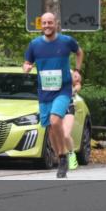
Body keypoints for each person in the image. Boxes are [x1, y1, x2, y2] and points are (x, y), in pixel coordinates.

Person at [23, 12, 84, 179]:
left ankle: (63, 157)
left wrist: (77, 70)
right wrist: (26, 68)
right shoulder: (34, 45)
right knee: (50, 129)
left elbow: (79, 52)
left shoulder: (66, 41)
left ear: (56, 24)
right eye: (44, 23)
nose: (47, 26)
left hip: (62, 90)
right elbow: (27, 63)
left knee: (55, 120)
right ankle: (61, 157)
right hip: (44, 93)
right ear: (41, 25)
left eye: (50, 22)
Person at [59, 69, 82, 172]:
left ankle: (71, 154)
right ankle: (61, 157)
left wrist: (74, 90)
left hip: (68, 106)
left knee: (66, 134)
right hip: (52, 105)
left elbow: (78, 84)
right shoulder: (48, 69)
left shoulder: (69, 71)